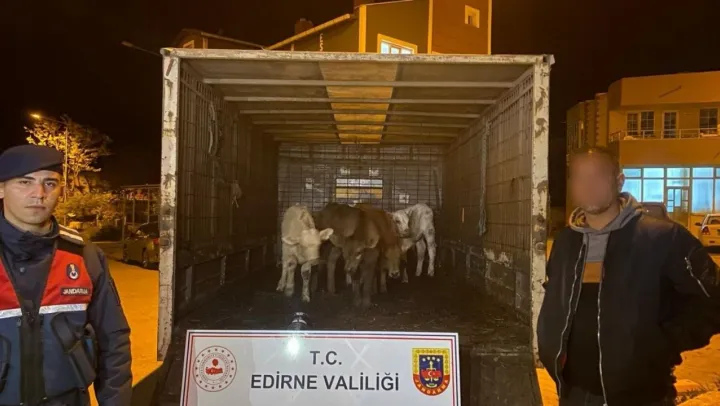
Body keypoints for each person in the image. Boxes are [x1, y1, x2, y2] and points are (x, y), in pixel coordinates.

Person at [537, 146, 720, 406]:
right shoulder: (566, 242)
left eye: (598, 175)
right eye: (579, 177)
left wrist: (662, 344)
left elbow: (712, 300)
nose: (588, 185)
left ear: (619, 180)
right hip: (572, 395)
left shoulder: (663, 238)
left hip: (642, 397)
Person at [0, 144, 132, 406]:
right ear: (1, 189)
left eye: (50, 183)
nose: (39, 194)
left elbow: (113, 341)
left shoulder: (84, 256)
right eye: (25, 182)